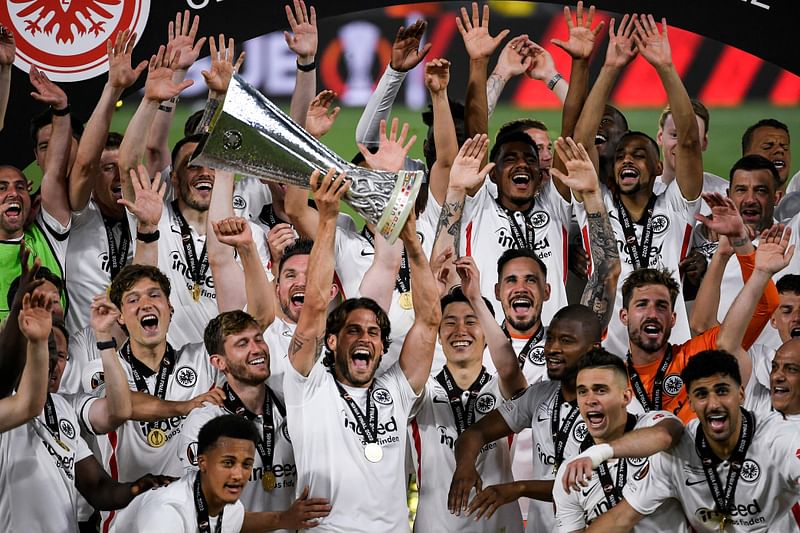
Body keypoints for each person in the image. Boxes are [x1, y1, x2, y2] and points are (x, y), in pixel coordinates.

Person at [284, 168, 440, 532]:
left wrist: (413, 245)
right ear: (333, 341)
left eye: (373, 333)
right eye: (353, 330)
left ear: (382, 347)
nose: (365, 338)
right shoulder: (307, 385)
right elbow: (316, 305)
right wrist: (327, 220)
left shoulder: (396, 392)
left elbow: (430, 321)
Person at [572, 14, 704, 358]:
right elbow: (581, 141)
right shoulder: (595, 201)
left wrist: (665, 67)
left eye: (639, 155)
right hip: (607, 353)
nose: (627, 160)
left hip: (671, 351)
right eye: (620, 157)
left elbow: (688, 141)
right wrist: (611, 67)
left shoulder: (676, 204)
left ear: (660, 166)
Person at [586, 350, 800, 533]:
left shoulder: (780, 438)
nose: (714, 404)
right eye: (701, 394)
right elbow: (621, 518)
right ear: (691, 402)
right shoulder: (675, 455)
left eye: (722, 391)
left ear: (741, 394)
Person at [80, 264, 224, 531]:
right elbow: (120, 405)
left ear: (170, 308)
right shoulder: (103, 367)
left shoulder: (201, 360)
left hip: (189, 522)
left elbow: (254, 322)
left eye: (154, 295)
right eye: (133, 299)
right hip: (126, 523)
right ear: (120, 317)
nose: (145, 304)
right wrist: (186, 406)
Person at [448, 304, 605, 532]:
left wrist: (519, 488)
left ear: (592, 350)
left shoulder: (612, 405)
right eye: (550, 339)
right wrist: (464, 466)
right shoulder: (540, 394)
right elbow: (476, 432)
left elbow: (587, 485)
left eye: (566, 341)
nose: (552, 348)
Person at [179, 311, 331, 529]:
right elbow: (204, 510)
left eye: (258, 339)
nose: (257, 349)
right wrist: (282, 519)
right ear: (219, 362)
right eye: (242, 344)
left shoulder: (291, 402)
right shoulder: (205, 422)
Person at [411, 271, 527, 532]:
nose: (460, 330)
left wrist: (475, 297)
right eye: (449, 323)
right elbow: (415, 353)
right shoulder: (422, 391)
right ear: (439, 335)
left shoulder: (502, 388)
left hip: (499, 525)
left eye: (471, 321)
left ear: (487, 333)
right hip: (436, 525)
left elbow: (510, 370)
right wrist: (432, 304)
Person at [115, 413, 326, 532]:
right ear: (202, 462)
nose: (238, 474)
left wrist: (284, 518)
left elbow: (239, 521)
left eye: (246, 464)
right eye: (228, 462)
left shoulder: (228, 506)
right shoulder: (166, 513)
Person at [552, 348, 686, 532]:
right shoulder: (572, 471)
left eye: (600, 390)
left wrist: (599, 453)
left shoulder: (652, 423)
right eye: (582, 392)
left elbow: (665, 436)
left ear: (626, 397)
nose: (590, 400)